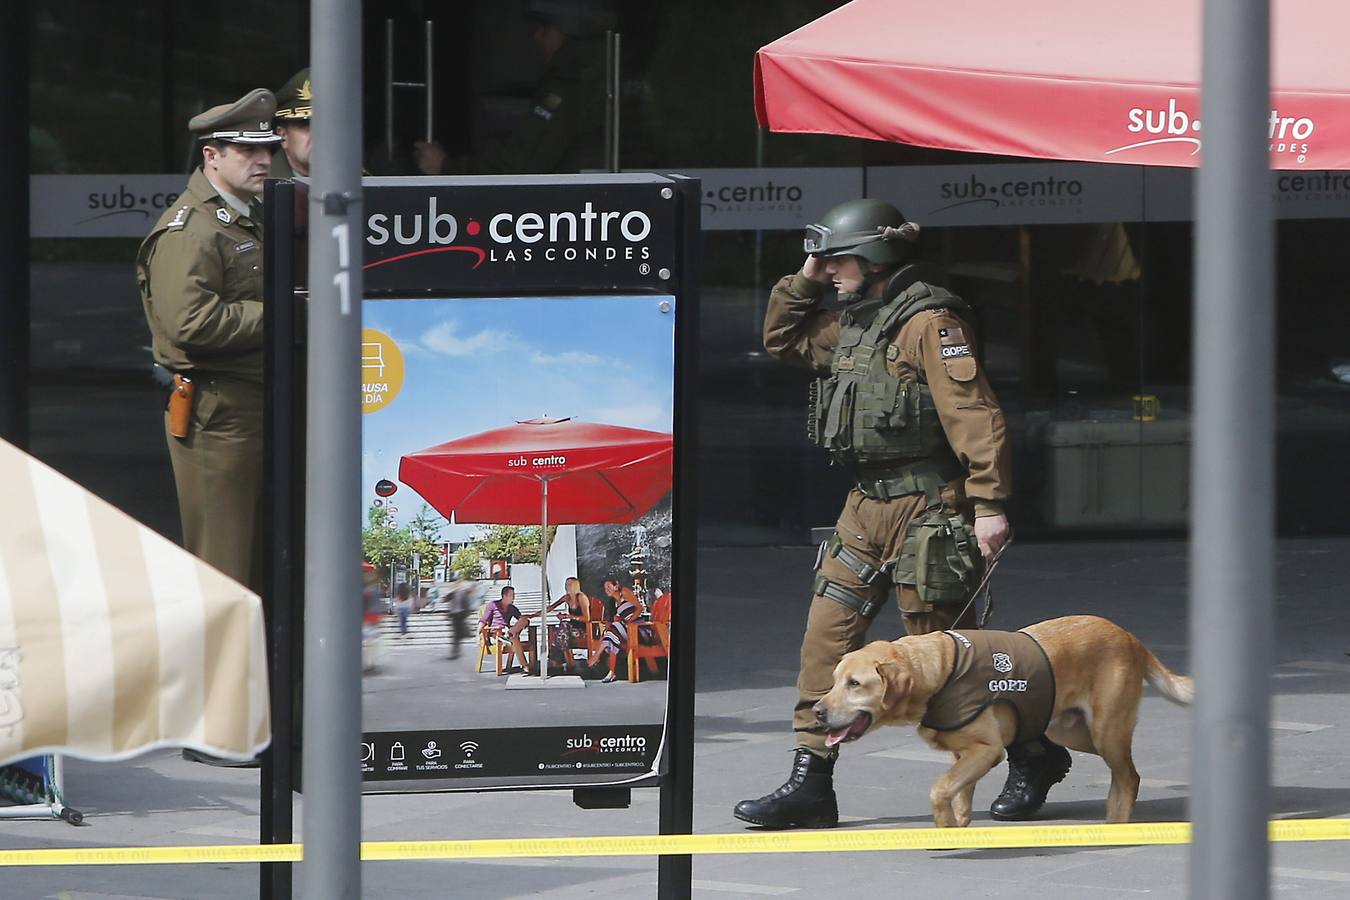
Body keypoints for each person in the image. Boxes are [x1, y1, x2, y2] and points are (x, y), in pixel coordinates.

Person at [734, 198, 1067, 829]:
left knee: (943, 660)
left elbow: (974, 415)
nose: (829, 270)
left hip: (930, 511)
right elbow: (783, 340)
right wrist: (804, 279)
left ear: (875, 257)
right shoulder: (856, 324)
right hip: (865, 508)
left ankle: (1034, 752)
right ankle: (811, 781)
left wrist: (988, 504)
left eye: (838, 259)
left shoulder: (930, 324)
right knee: (825, 644)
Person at [136, 89, 280, 598]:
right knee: (225, 569)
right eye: (247, 150)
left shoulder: (249, 214)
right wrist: (284, 313)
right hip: (219, 413)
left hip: (254, 406)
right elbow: (190, 324)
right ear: (211, 156)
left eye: (268, 148)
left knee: (260, 565)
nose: (263, 159)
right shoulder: (191, 230)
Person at [413, 0, 606, 176]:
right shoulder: (602, 71)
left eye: (545, 28)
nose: (537, 36)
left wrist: (445, 167)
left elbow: (521, 164)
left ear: (565, 32)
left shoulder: (570, 82)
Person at [587, 578, 641, 683]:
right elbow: (613, 622)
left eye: (609, 586)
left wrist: (629, 621)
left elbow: (639, 608)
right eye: (605, 588)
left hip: (637, 629)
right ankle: (611, 672)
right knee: (611, 636)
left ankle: (596, 657)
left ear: (616, 587)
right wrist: (616, 621)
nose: (606, 589)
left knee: (613, 631)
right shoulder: (613, 602)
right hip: (625, 630)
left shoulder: (624, 592)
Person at [478, 586, 535, 675]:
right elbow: (483, 621)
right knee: (514, 639)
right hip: (496, 635)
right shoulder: (493, 605)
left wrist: (525, 621)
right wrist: (479, 635)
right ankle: (525, 665)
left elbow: (522, 620)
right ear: (504, 595)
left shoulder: (512, 608)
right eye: (512, 595)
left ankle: (510, 634)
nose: (514, 597)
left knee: (524, 620)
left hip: (508, 633)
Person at [544, 576, 591, 675]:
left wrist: (569, 616)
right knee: (560, 630)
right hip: (571, 630)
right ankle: (567, 661)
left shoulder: (581, 597)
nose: (567, 587)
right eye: (566, 584)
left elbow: (587, 618)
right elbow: (551, 607)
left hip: (583, 630)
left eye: (569, 584)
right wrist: (534, 615)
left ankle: (559, 661)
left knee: (562, 629)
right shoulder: (567, 597)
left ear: (575, 586)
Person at [271, 68, 312, 178]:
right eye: (306, 125)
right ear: (283, 135)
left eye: (329, 126)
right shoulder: (260, 183)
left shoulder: (353, 177)